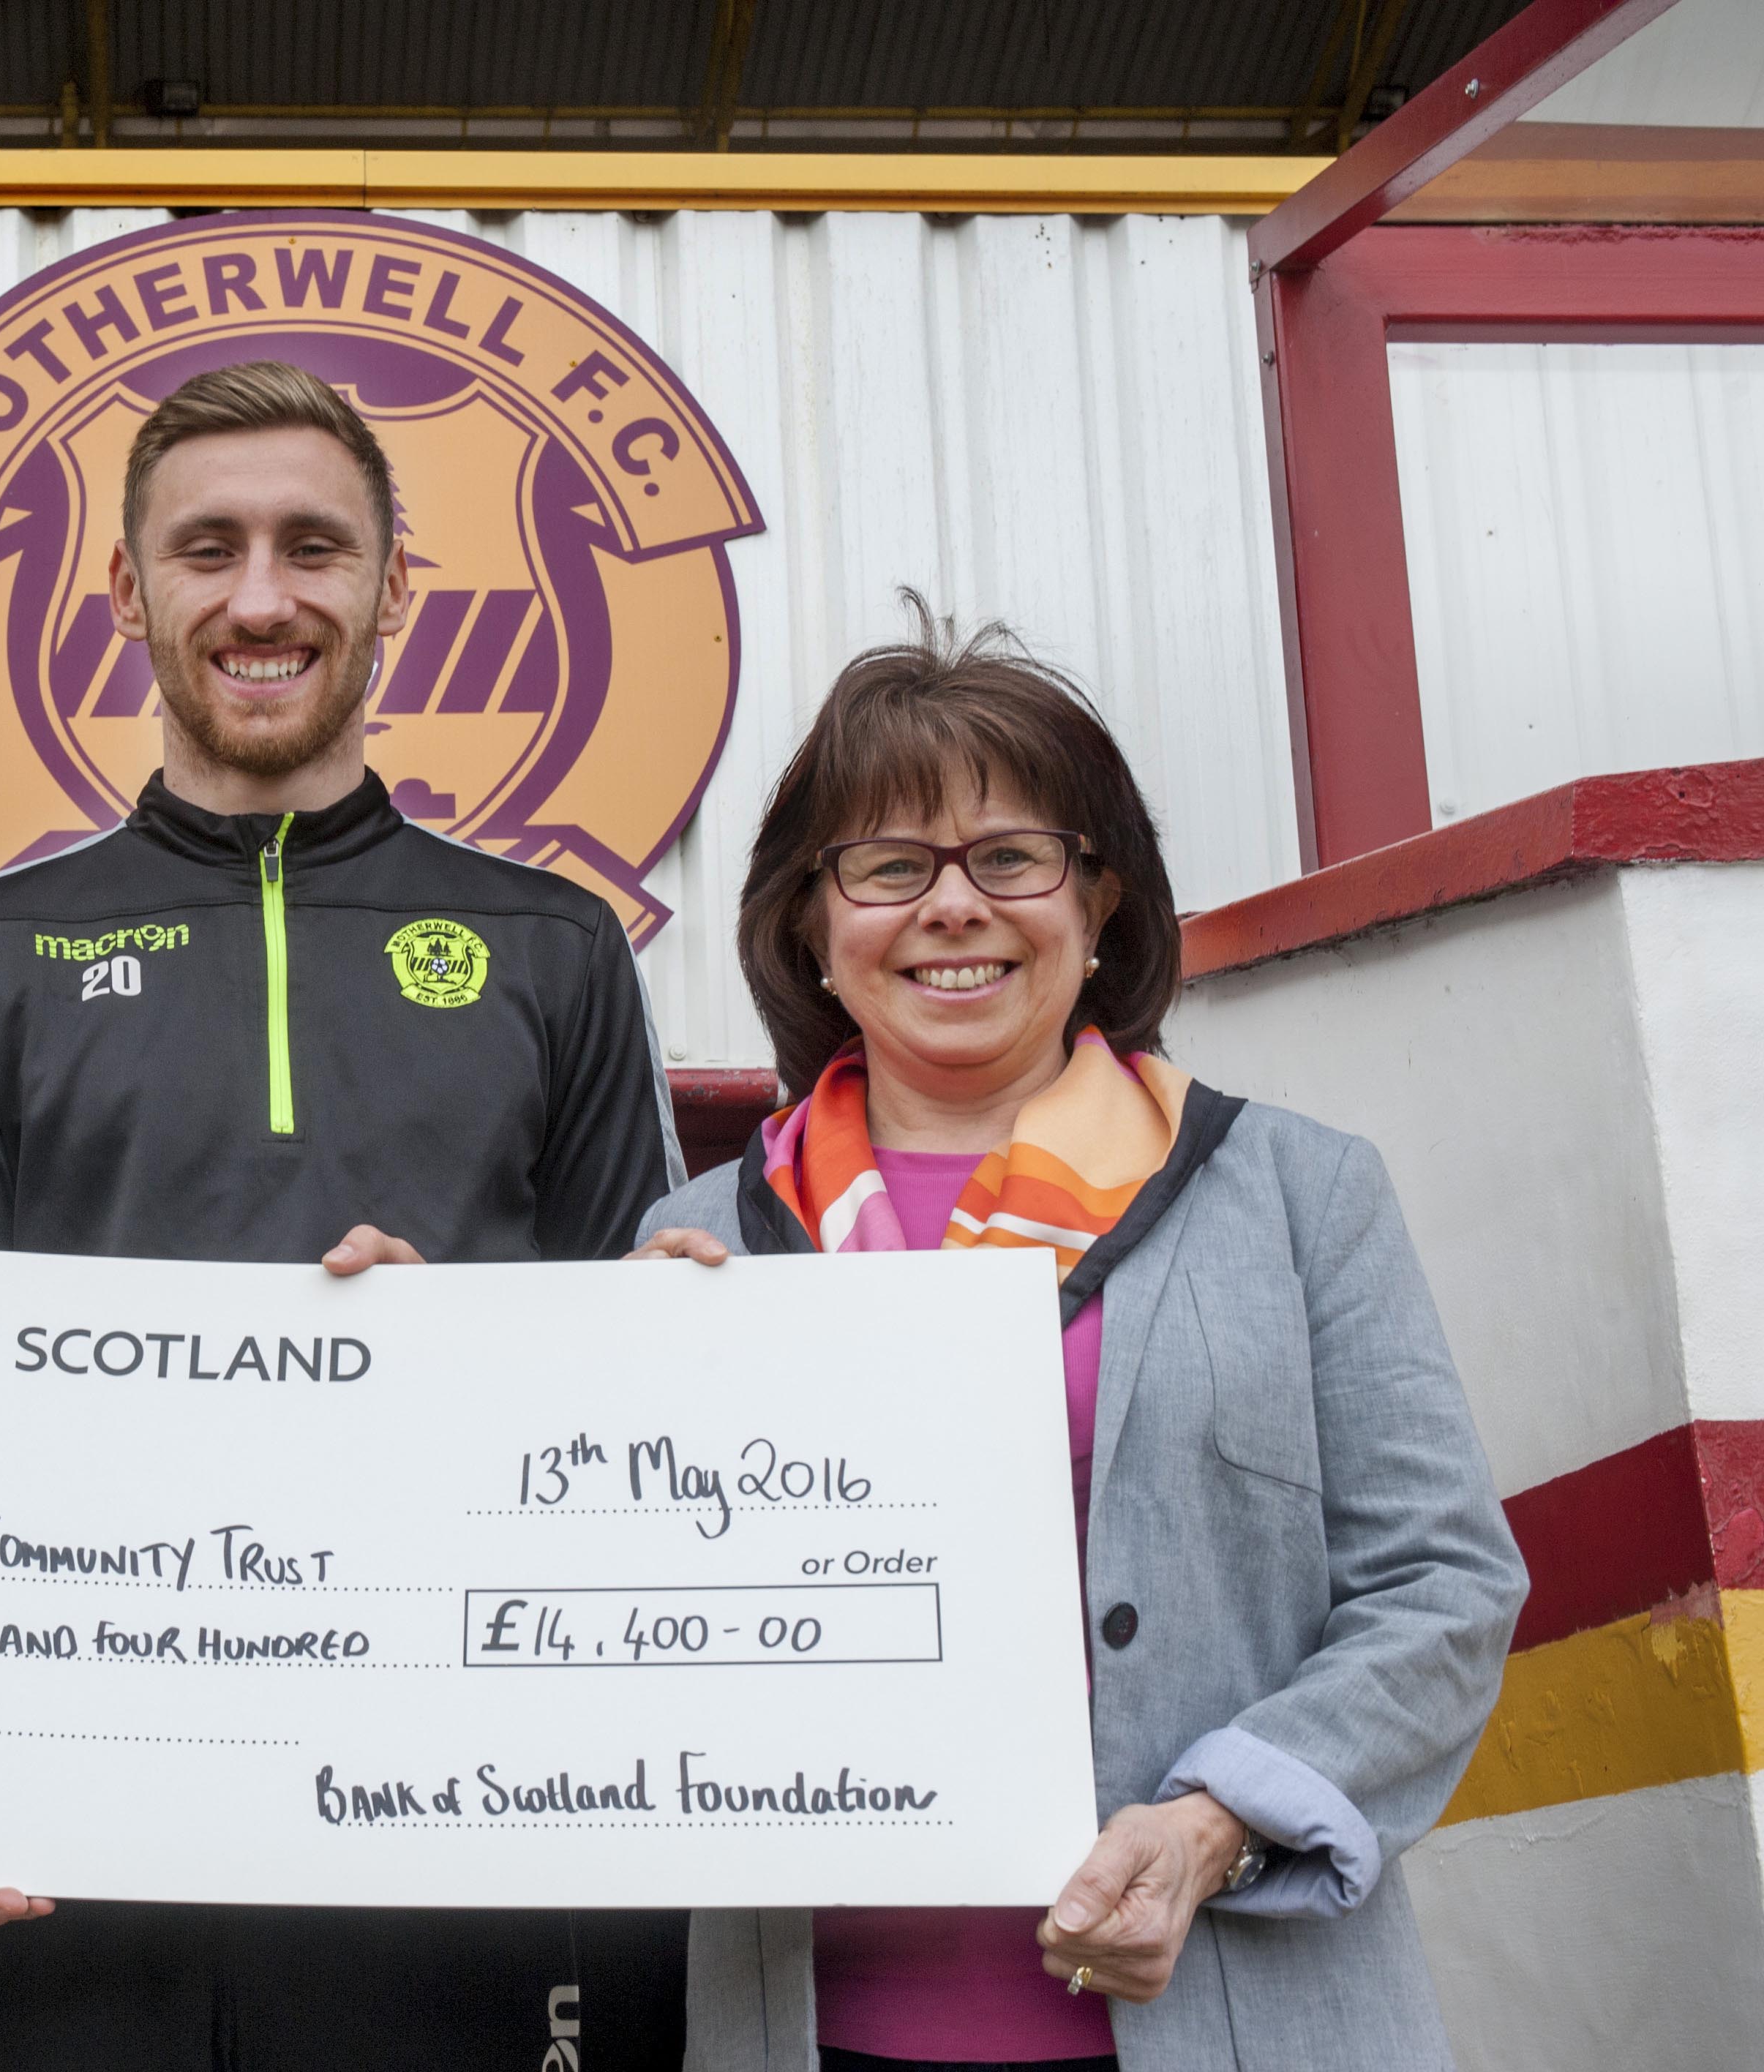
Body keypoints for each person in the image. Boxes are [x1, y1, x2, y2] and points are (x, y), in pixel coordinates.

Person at [0, 360, 691, 2070]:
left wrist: (462, 1350)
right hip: (78, 1838)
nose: (259, 598)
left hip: (453, 1829)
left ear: (395, 589)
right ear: (125, 592)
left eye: (314, 548)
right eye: (206, 548)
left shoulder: (552, 947)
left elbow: (652, 1396)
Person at [628, 612, 1524, 2072]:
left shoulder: (1297, 1193)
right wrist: (493, 1374)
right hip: (812, 2032)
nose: (952, 906)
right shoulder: (695, 1243)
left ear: (1099, 900)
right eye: (888, 865)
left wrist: (1215, 1822)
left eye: (1010, 856)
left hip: (1231, 2021)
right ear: (811, 919)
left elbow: (1440, 1587)